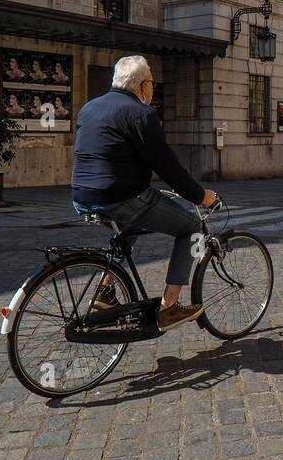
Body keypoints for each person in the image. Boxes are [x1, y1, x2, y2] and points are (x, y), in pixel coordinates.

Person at [71, 55, 218, 331]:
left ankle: (105, 290)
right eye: (152, 82)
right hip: (122, 196)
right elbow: (168, 167)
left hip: (82, 195)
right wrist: (201, 196)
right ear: (142, 85)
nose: (152, 88)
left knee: (128, 229)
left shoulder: (89, 108)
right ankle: (170, 307)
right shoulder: (141, 114)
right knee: (192, 227)